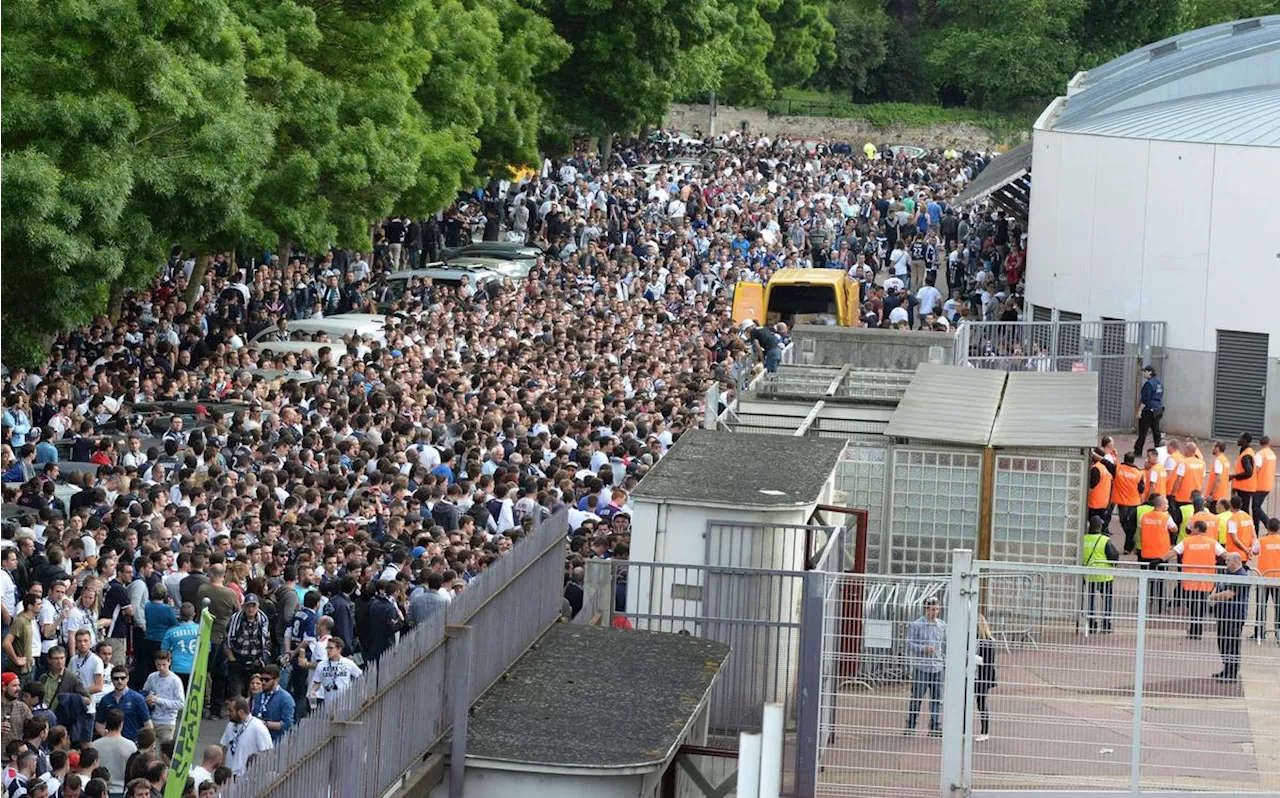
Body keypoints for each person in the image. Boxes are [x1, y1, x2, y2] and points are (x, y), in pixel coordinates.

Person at [1164, 520, 1226, 641]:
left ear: (1197, 529)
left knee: (1192, 604)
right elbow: (1225, 555)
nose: (1190, 530)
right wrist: (1237, 562)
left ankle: (1194, 628)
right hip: (1206, 580)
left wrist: (1159, 560)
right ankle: (1197, 628)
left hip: (1190, 579)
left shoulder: (1187, 541)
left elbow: (1173, 552)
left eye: (1192, 528)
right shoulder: (1212, 542)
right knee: (1201, 604)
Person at [904, 597, 945, 736]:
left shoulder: (942, 625)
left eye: (937, 609)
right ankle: (910, 725)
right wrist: (923, 648)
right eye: (933, 610)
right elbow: (909, 643)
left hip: (937, 667)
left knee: (937, 698)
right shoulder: (916, 625)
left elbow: (943, 645)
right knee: (916, 697)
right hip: (921, 667)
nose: (935, 612)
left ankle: (934, 726)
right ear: (926, 609)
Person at [1208, 552, 1250, 682]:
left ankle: (1231, 673)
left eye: (1228, 561)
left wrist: (1213, 597)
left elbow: (1229, 594)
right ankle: (1227, 668)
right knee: (1223, 642)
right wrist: (1214, 595)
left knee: (1232, 643)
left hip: (1234, 616)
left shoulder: (1241, 576)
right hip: (1223, 615)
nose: (1226, 563)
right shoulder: (1228, 574)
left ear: (1236, 562)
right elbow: (1219, 586)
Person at [1082, 517, 1119, 634]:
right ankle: (1106, 624)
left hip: (1088, 575)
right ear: (1100, 527)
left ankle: (1092, 623)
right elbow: (1114, 556)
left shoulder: (1083, 539)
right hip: (1104, 575)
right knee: (1107, 599)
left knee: (1091, 599)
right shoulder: (1104, 540)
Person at [219, 697, 271, 776]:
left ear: (240, 712)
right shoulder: (230, 725)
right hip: (229, 777)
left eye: (230, 711)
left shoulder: (258, 727)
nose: (227, 713)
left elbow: (267, 753)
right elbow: (225, 748)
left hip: (246, 777)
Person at [96, 667, 150, 743]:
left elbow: (148, 724)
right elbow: (99, 723)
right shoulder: (105, 700)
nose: (119, 681)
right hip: (111, 742)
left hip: (133, 742)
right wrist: (105, 735)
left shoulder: (137, 699)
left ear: (128, 678)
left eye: (122, 678)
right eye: (116, 678)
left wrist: (142, 743)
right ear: (111, 680)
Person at [140, 650, 183, 743]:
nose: (161, 668)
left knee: (165, 752)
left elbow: (181, 703)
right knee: (149, 751)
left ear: (169, 662)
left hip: (167, 722)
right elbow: (144, 694)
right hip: (151, 720)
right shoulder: (152, 677)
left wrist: (158, 700)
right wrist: (148, 700)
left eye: (164, 664)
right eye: (158, 665)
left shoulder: (175, 680)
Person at [92, 709, 136, 798]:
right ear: (121, 724)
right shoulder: (131, 746)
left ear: (106, 724)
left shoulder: (95, 745)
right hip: (122, 791)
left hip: (99, 791)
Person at [308, 639, 361, 709]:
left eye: (331, 648)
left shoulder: (348, 663)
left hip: (346, 705)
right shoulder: (321, 665)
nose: (328, 651)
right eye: (327, 648)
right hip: (328, 704)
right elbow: (317, 683)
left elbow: (360, 677)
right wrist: (313, 690)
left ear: (339, 649)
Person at [249, 665, 293, 745]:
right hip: (256, 740)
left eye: (267, 680)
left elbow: (287, 724)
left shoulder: (286, 698)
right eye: (262, 679)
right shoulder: (258, 696)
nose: (263, 682)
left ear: (277, 680)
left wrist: (265, 724)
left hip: (276, 742)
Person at [1111, 453, 1144, 554]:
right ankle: (1129, 545)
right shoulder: (1138, 473)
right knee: (1131, 525)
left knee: (1124, 523)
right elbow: (1141, 489)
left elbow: (1106, 463)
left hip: (1122, 502)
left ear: (1124, 459)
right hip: (1134, 502)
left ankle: (1129, 545)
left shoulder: (1117, 469)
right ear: (1133, 461)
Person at [973, 615, 997, 743]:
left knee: (981, 703)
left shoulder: (988, 641)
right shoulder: (971, 638)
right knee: (964, 702)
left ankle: (985, 731)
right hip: (970, 675)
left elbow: (988, 662)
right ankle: (963, 730)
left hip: (982, 677)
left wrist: (971, 656)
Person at [1133, 365, 1163, 455]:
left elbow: (1145, 399)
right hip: (1158, 409)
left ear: (1150, 372)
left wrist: (1139, 411)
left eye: (1145, 371)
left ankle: (1138, 451)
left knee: (1143, 432)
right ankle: (1159, 451)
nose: (1144, 373)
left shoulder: (1149, 384)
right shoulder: (1159, 383)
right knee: (1156, 431)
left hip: (1148, 410)